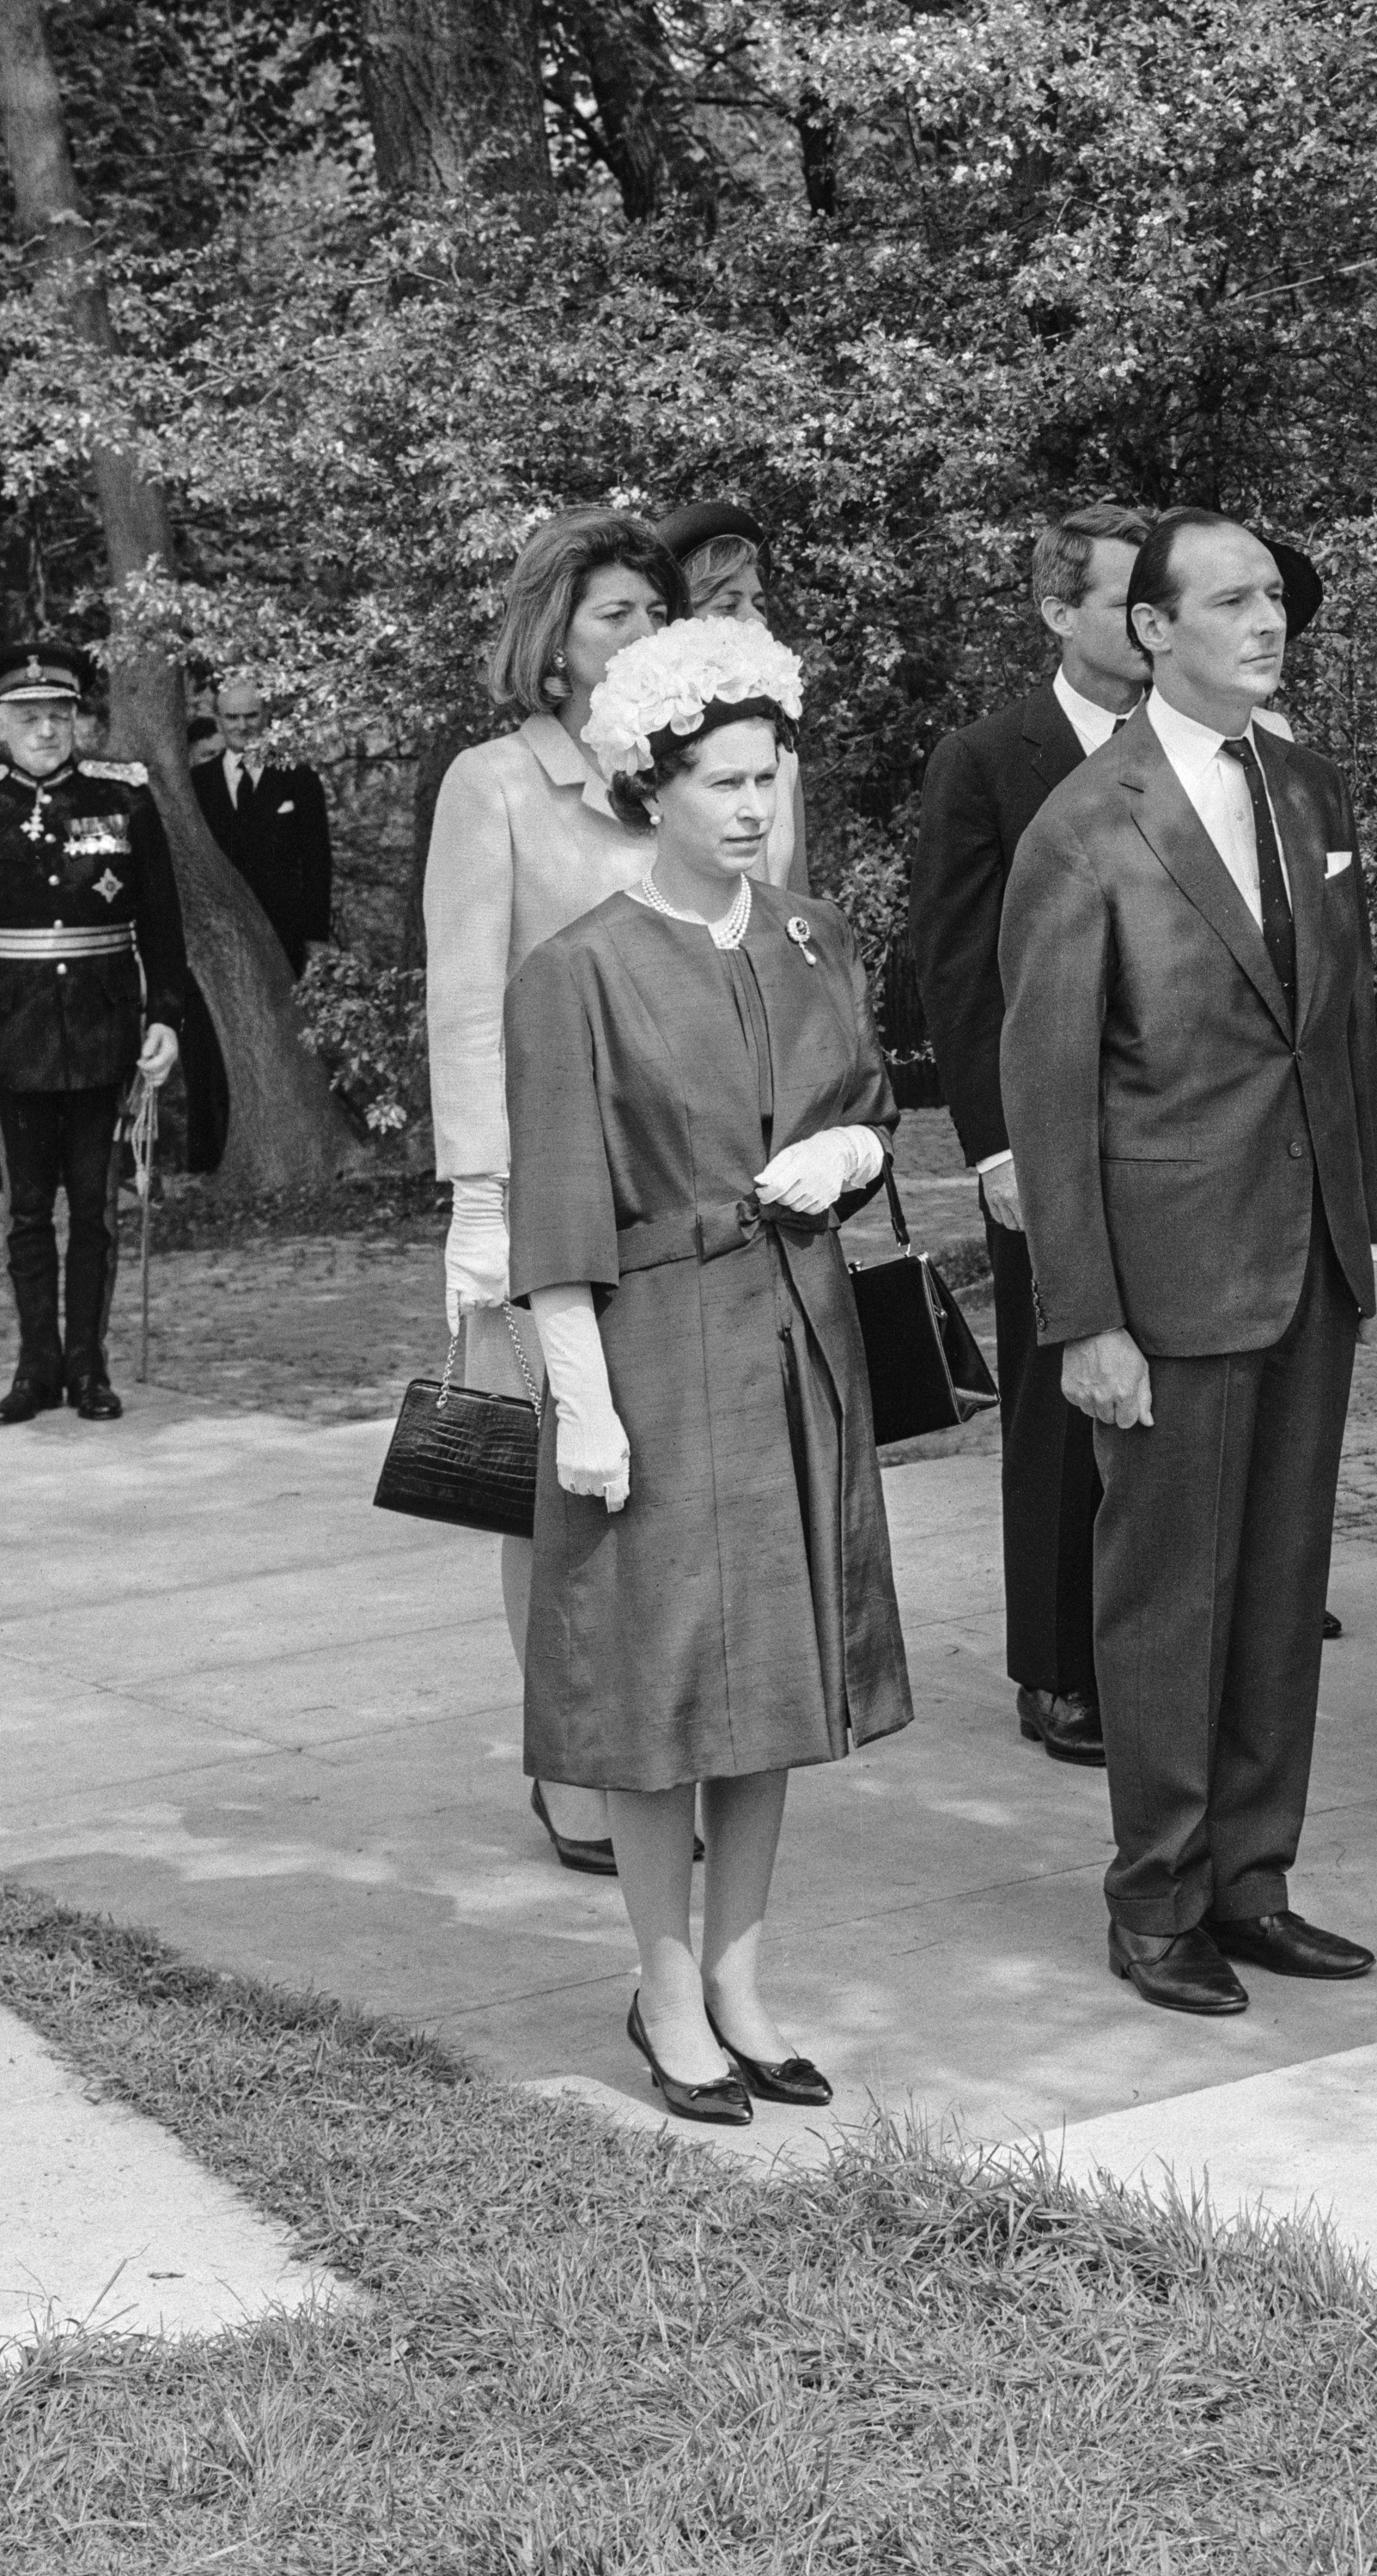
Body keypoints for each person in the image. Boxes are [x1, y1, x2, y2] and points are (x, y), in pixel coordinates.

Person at [507, 616, 908, 2126]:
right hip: (657, 1350)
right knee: (662, 1684)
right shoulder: (582, 971)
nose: (753, 805)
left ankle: (742, 1980)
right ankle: (664, 1991)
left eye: (768, 777)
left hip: (797, 1330)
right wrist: (585, 1402)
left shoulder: (812, 935)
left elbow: (868, 1103)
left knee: (778, 1682)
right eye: (723, 781)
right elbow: (555, 1208)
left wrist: (854, 1148)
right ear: (652, 787)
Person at [997, 509, 1377, 2019]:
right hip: (1165, 1273)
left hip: (1307, 1258)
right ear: (1152, 628)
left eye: (1274, 596)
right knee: (1168, 1593)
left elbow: (1336, 1033)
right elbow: (1047, 1093)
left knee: (1283, 1580)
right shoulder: (1086, 823)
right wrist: (1084, 1315)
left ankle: (1253, 1879)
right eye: (1229, 597)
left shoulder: (1305, 782)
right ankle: (1156, 1896)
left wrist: (1366, 1226)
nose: (1267, 616)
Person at [423, 504, 685, 1869]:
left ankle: (665, 1735)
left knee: (676, 1474)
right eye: (613, 615)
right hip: (549, 1183)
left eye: (656, 611)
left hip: (692, 1183)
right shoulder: (497, 782)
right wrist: (478, 1192)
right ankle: (571, 1757)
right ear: (555, 644)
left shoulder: (719, 771)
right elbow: (464, 999)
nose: (642, 635)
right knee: (556, 1482)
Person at [895, 502, 1150, 1770]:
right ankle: (1056, 1667)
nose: (1151, 617)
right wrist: (994, 1144)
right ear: (1058, 611)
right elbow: (957, 964)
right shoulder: (990, 757)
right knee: (1060, 1404)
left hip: (1182, 1128)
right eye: (1121, 596)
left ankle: (1156, 1636)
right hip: (1042, 1130)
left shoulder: (1209, 747)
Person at [0, 640, 188, 1425]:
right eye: (28, 717)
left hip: (104, 1029)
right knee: (27, 1210)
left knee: (97, 1208)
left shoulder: (125, 798)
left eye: (59, 715)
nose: (45, 730)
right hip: (8, 1032)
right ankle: (34, 1368)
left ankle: (89, 1367)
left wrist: (165, 1016)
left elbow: (163, 923)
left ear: (78, 719)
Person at [177, 703, 333, 1174]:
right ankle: (207, 1158)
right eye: (232, 717)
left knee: (285, 1036)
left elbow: (317, 859)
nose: (242, 726)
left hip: (283, 939)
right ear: (219, 720)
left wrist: (315, 936)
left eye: (251, 717)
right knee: (207, 1044)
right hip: (215, 941)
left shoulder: (297, 778)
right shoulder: (197, 784)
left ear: (266, 719)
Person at [649, 498, 808, 889]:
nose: (755, 620)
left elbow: (796, 893)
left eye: (759, 603)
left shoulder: (781, 752)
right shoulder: (645, 751)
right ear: (678, 619)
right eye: (728, 605)